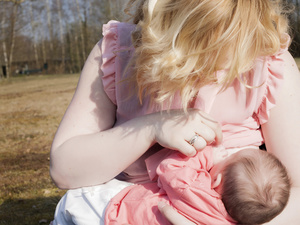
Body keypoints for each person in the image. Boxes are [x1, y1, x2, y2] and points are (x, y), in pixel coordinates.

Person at [50, 0, 300, 224]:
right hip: (125, 210)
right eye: (205, 46)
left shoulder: (269, 61)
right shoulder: (118, 52)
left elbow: (296, 191)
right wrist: (150, 128)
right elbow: (64, 170)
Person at [104, 146, 290, 225]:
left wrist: (208, 154)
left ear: (216, 180)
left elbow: (170, 167)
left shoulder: (194, 188)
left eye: (226, 159)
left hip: (120, 212)